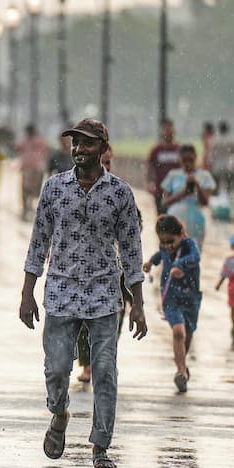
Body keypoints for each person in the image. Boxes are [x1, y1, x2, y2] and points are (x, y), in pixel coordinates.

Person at [20, 118, 147, 468]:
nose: (80, 150)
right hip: (60, 291)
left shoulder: (120, 193)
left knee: (105, 371)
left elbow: (132, 250)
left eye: (88, 144)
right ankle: (59, 414)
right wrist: (27, 292)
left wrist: (137, 302)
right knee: (57, 370)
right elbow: (38, 242)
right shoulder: (54, 189)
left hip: (105, 294)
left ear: (103, 149)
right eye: (76, 143)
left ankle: (100, 446)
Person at [75, 146, 139, 383]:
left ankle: (105, 360)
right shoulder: (74, 191)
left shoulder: (121, 194)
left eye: (109, 162)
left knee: (112, 320)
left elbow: (134, 231)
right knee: (83, 322)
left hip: (114, 274)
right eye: (103, 162)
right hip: (81, 273)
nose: (107, 167)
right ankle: (88, 365)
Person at [143, 215, 201, 393]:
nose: (168, 246)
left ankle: (182, 366)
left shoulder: (189, 244)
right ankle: (181, 371)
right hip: (170, 298)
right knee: (178, 332)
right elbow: (160, 254)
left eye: (171, 241)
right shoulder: (164, 248)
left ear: (181, 234)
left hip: (190, 298)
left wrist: (179, 264)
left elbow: (195, 257)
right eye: (163, 241)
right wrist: (150, 263)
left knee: (187, 334)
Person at [160, 144, 216, 250]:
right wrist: (183, 193)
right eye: (184, 160)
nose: (187, 163)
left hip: (196, 221)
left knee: (194, 255)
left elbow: (205, 202)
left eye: (190, 159)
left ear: (195, 157)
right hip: (175, 221)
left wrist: (197, 186)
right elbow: (164, 202)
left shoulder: (204, 176)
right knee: (173, 253)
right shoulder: (173, 175)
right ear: (180, 159)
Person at [146, 118, 181, 214]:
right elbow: (150, 168)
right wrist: (150, 183)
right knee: (162, 217)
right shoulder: (156, 150)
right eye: (166, 130)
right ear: (162, 131)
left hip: (176, 191)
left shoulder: (179, 149)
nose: (169, 133)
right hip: (160, 190)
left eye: (171, 129)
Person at [16, 124, 50, 220]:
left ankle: (28, 206)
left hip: (34, 167)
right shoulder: (29, 139)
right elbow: (18, 148)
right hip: (30, 167)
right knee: (27, 188)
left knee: (30, 189)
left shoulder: (37, 140)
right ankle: (26, 207)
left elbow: (46, 151)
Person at [209, 120, 234, 193]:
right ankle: (228, 197)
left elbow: (211, 154)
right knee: (229, 187)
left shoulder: (215, 139)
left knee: (216, 187)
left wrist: (211, 163)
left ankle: (216, 199)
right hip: (227, 165)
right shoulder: (230, 140)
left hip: (217, 166)